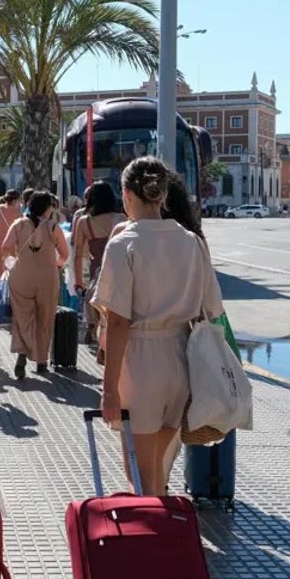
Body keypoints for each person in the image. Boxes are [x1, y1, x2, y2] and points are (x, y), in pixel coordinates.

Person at [93, 156, 225, 496]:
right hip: (181, 359)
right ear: (162, 196)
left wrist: (108, 389)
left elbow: (119, 320)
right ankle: (161, 533)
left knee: (139, 474)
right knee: (157, 468)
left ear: (127, 195)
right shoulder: (191, 242)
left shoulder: (125, 244)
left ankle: (153, 540)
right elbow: (210, 307)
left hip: (139, 362)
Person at [2, 190, 68, 379]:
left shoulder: (19, 224)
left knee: (22, 317)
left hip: (21, 277)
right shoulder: (54, 227)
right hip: (47, 278)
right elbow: (64, 254)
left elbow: (5, 248)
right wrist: (56, 265)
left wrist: (11, 266)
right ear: (48, 208)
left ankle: (22, 353)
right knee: (45, 319)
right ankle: (41, 362)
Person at [72, 181, 126, 345]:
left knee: (96, 309)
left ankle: (95, 333)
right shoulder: (121, 219)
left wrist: (79, 281)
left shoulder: (84, 222)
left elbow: (78, 254)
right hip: (120, 274)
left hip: (98, 274)